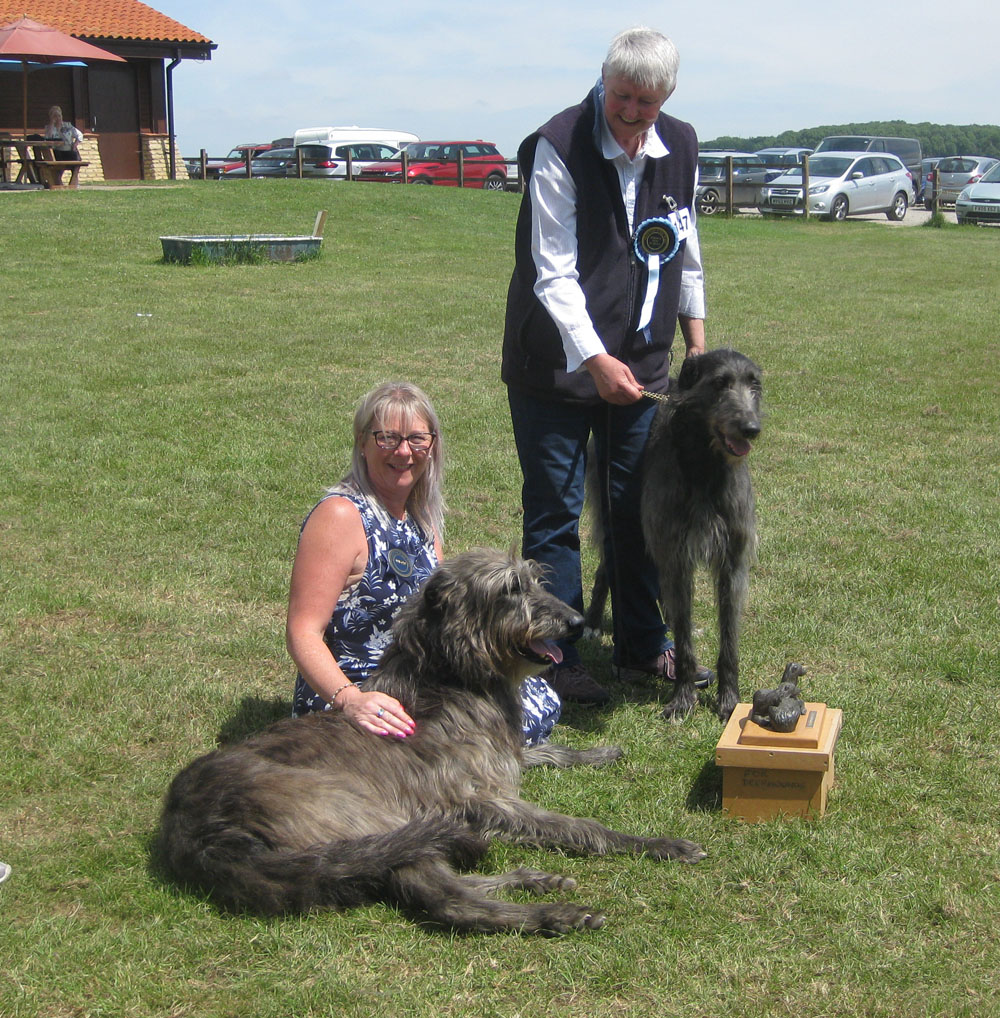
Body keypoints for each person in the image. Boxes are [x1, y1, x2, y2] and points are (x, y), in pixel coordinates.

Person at [502, 26, 708, 705]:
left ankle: (645, 648)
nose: (631, 113)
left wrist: (696, 347)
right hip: (553, 368)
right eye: (622, 97)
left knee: (637, 508)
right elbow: (552, 272)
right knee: (555, 513)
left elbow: (686, 251)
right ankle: (556, 658)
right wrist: (595, 359)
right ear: (603, 80)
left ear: (666, 96)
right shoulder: (556, 145)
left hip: (642, 368)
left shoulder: (679, 146)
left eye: (647, 103)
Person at [286, 381, 561, 745]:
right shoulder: (339, 515)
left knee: (539, 700)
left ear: (432, 446)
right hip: (359, 696)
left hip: (416, 677)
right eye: (387, 438)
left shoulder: (421, 518)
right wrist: (351, 699)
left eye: (417, 439)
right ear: (362, 443)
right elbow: (302, 632)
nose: (404, 452)